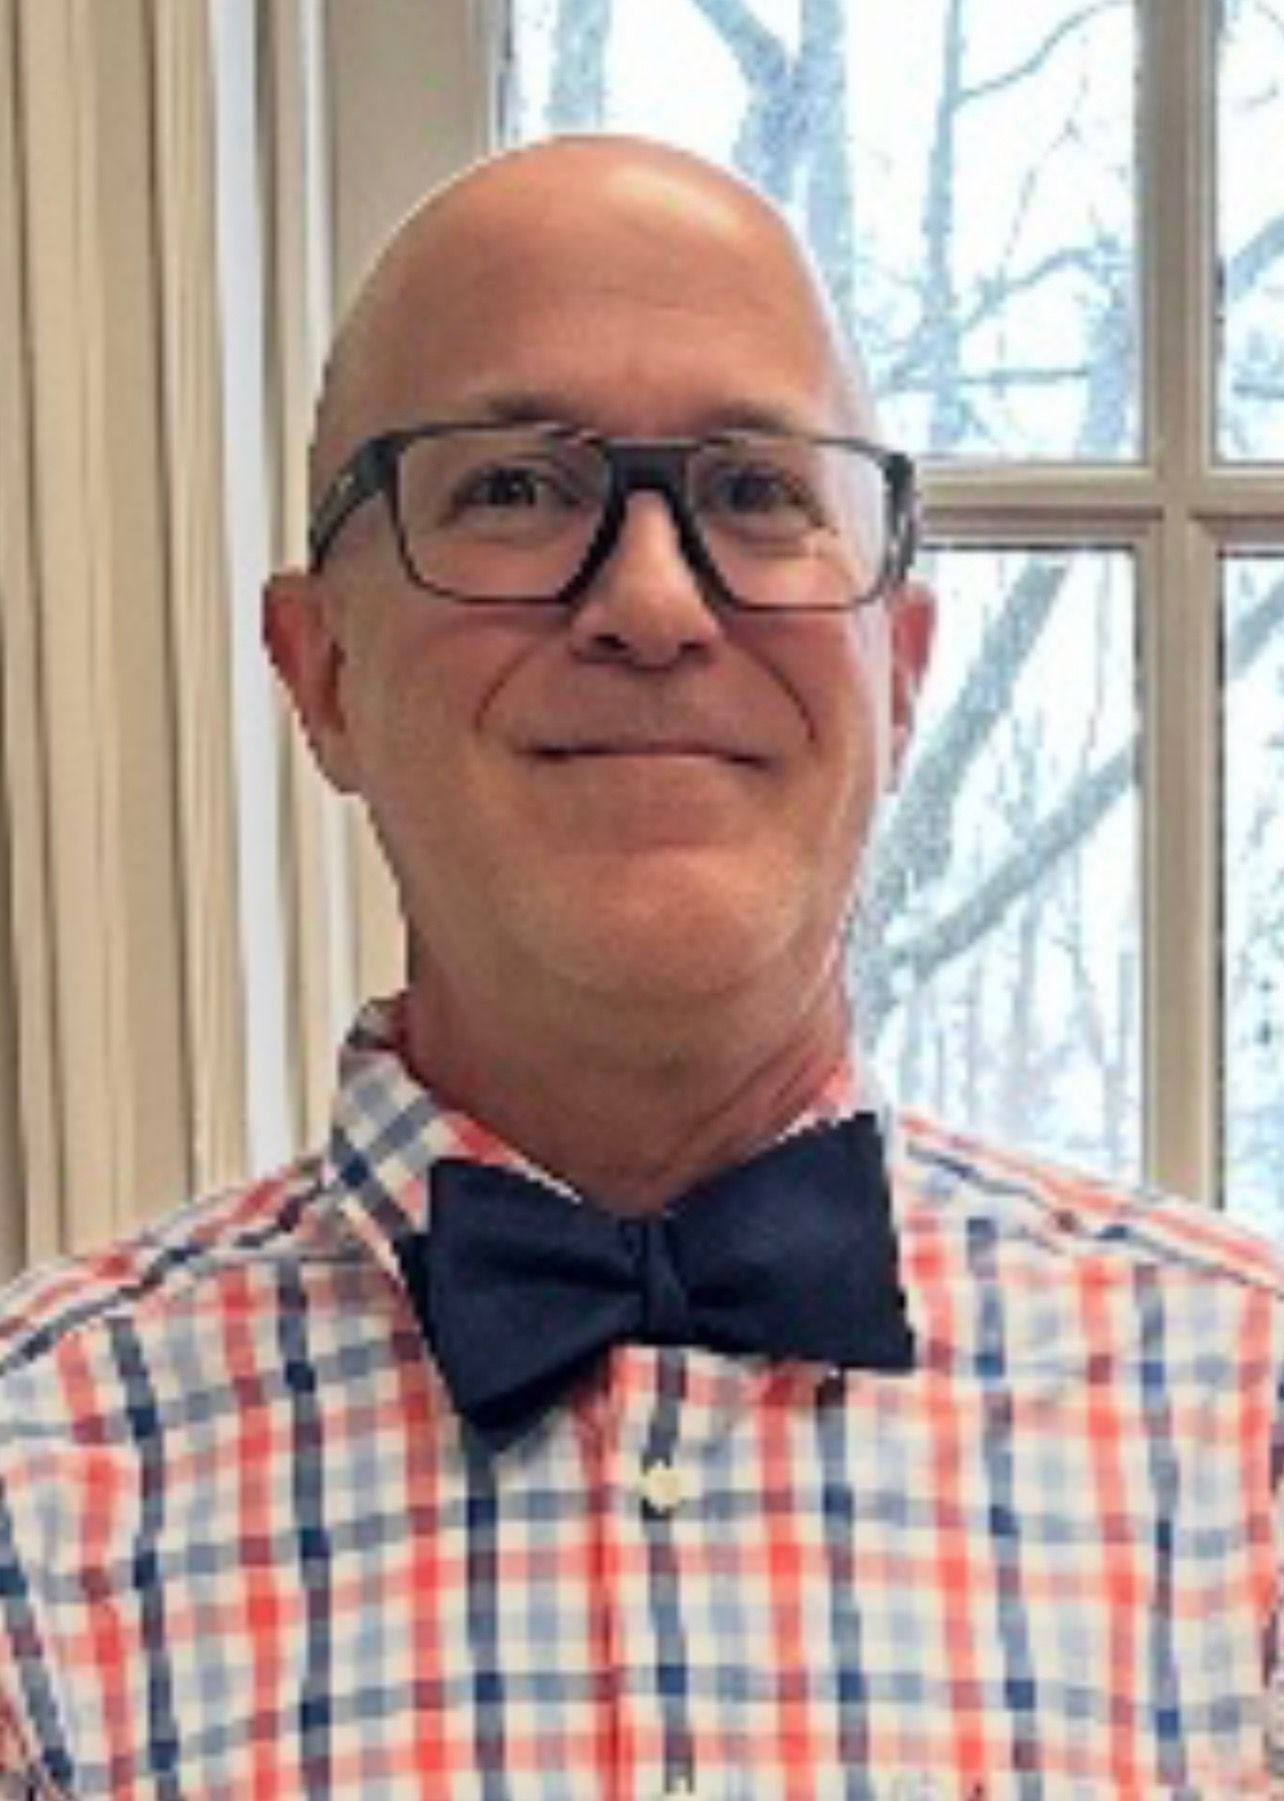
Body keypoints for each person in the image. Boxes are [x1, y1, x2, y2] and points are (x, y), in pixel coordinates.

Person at [1, 135, 1281, 1800]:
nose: (657, 602)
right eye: (514, 489)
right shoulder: (29, 1503)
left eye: (754, 491)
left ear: (899, 670)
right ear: (321, 671)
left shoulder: (1252, 1437)